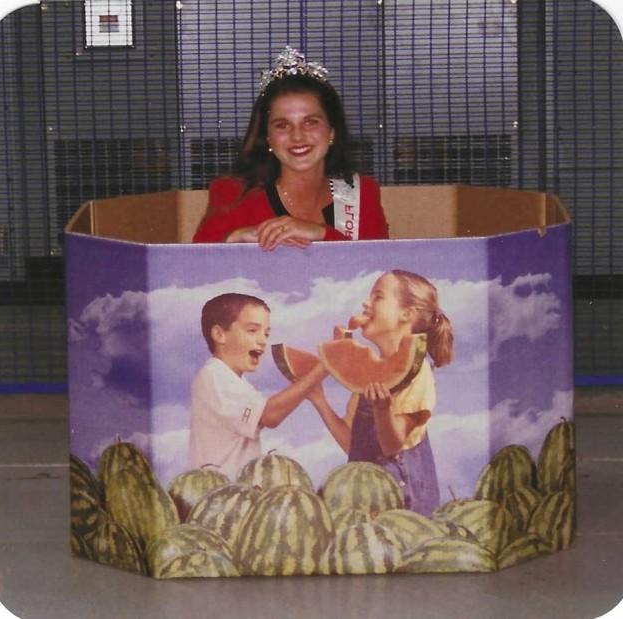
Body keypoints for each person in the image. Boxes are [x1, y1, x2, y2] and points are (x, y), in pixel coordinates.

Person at [193, 46, 389, 248]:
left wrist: (321, 233)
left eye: (310, 122)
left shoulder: (361, 193)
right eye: (282, 125)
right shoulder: (233, 194)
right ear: (267, 137)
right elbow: (191, 264)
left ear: (332, 131)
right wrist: (233, 238)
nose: (297, 136)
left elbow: (380, 269)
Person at [308, 270, 454, 515]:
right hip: (367, 499)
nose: (366, 303)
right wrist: (320, 401)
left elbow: (391, 445)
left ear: (406, 314)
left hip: (404, 507)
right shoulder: (368, 376)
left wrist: (383, 411)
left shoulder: (418, 373)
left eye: (378, 297)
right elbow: (354, 444)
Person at [189, 292, 326, 479]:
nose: (263, 340)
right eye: (252, 330)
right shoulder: (213, 376)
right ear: (220, 334)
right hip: (222, 494)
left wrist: (306, 384)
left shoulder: (237, 382)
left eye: (266, 333)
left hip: (237, 492)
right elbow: (270, 416)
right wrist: (323, 368)